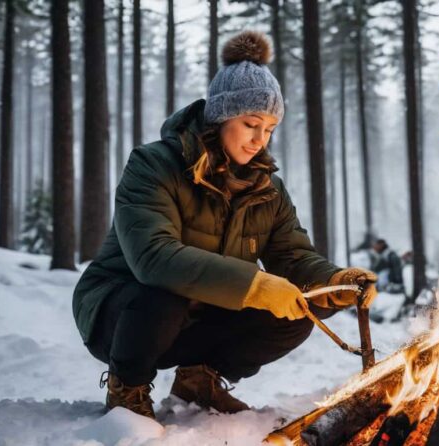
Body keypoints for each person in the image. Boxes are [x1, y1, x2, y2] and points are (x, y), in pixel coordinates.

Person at [72, 31, 376, 419]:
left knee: (299, 309)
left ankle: (199, 379)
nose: (259, 140)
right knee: (164, 294)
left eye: (268, 129)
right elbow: (154, 258)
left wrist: (335, 283)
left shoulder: (267, 188)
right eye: (251, 123)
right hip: (121, 312)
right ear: (221, 116)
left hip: (200, 314)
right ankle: (127, 388)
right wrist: (256, 285)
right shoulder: (154, 165)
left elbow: (293, 255)